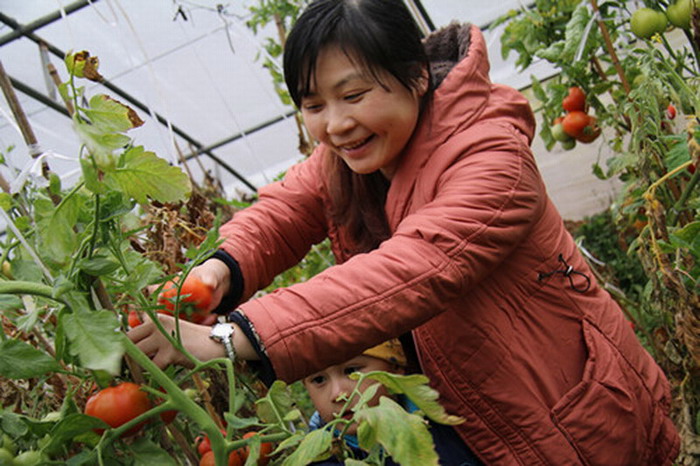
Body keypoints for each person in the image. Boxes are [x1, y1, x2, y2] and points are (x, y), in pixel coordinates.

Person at [128, 0, 680, 464]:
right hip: (461, 409)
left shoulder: (491, 157)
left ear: (417, 77)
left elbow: (413, 269)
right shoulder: (350, 157)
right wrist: (217, 272)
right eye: (313, 105)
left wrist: (229, 337)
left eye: (353, 95)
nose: (335, 125)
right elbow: (286, 209)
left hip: (562, 415)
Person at [301, 338, 480, 465]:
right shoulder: (319, 457)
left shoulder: (451, 415)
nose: (338, 394)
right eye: (319, 380)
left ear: (395, 367)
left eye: (352, 371)